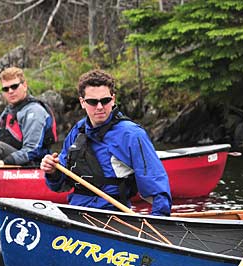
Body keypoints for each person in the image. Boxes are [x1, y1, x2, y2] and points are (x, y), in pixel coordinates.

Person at [39, 69, 172, 216]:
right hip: (76, 213)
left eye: (105, 100)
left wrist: (159, 220)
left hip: (114, 217)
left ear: (113, 99)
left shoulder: (132, 135)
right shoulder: (77, 132)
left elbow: (156, 184)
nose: (100, 107)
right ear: (82, 102)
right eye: (92, 102)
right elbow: (59, 185)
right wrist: (52, 172)